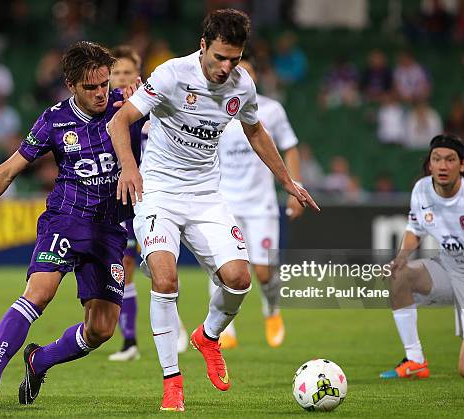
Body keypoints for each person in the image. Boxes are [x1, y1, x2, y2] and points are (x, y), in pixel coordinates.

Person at [107, 8, 318, 412]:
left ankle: (208, 336)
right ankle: (172, 384)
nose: (226, 68)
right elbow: (120, 121)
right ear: (203, 46)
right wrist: (130, 169)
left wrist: (288, 182)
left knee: (240, 279)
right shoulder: (171, 74)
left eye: (234, 59)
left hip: (206, 195)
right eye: (219, 57)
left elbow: (256, 130)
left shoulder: (243, 86)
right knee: (165, 281)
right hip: (160, 193)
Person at [0, 41, 145, 408]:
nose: (100, 93)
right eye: (91, 87)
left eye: (104, 84)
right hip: (65, 220)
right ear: (71, 85)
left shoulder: (128, 106)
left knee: (100, 330)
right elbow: (7, 171)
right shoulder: (54, 120)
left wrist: (142, 94)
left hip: (111, 230)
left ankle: (40, 359)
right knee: (39, 293)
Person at [381, 134, 464, 379]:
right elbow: (415, 229)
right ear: (429, 164)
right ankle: (416, 361)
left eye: (450, 160)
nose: (443, 166)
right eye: (437, 159)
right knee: (398, 274)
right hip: (447, 269)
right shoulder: (421, 190)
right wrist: (401, 257)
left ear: (462, 165)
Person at [215, 56, 305, 349]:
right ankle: (224, 327)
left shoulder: (271, 109)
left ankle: (272, 309)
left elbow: (290, 147)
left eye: (248, 74)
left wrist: (296, 185)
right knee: (224, 264)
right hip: (225, 201)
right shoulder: (213, 106)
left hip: (260, 204)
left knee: (264, 271)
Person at [106, 45, 188, 362]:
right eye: (116, 73)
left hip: (154, 194)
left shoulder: (155, 103)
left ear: (138, 75)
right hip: (119, 195)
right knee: (123, 266)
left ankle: (173, 325)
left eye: (127, 72)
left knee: (156, 267)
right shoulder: (108, 109)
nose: (121, 78)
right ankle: (130, 342)